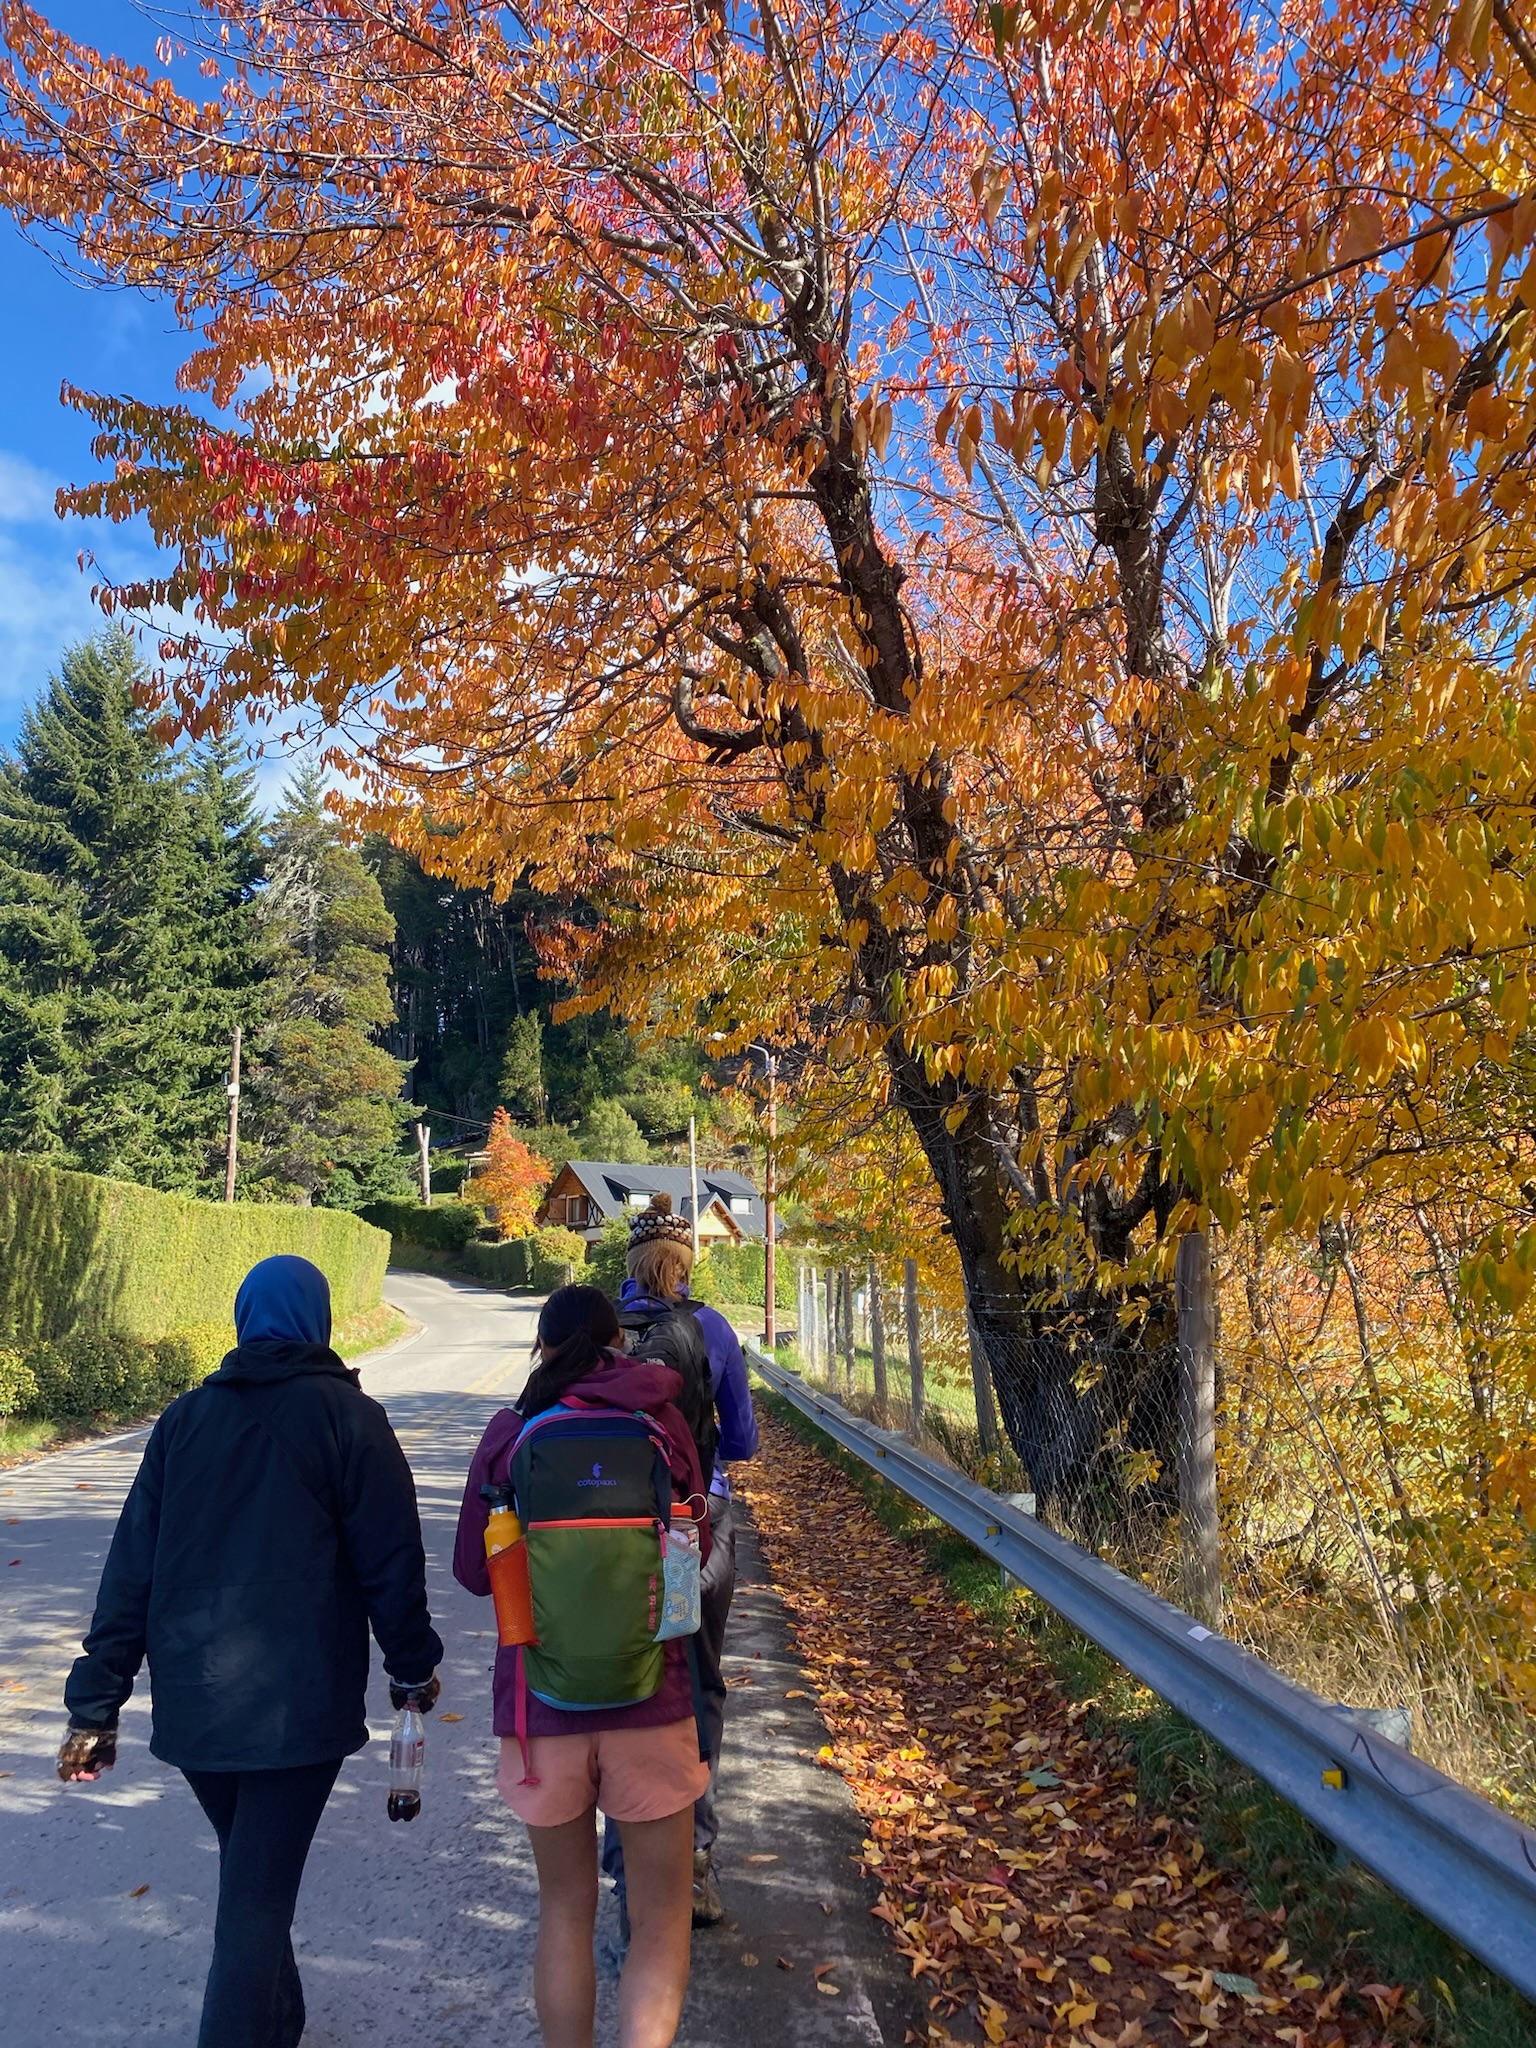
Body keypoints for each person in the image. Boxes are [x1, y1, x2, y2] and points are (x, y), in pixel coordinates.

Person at [56, 1253, 443, 2048]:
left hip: (197, 1702)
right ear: (319, 1320)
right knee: (255, 1903)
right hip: (295, 1707)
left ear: (244, 1318)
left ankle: (281, 2024)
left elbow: (130, 1567)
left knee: (252, 1879)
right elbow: (391, 1562)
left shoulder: (183, 1421)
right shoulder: (350, 1421)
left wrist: (95, 1704)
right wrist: (411, 1666)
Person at [453, 1284, 711, 2048]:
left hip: (543, 1708)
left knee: (565, 1911)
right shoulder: (660, 1422)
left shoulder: (513, 1433)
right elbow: (695, 1543)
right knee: (660, 1922)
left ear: (543, 1348)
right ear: (617, 1344)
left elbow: (474, 1569)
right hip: (655, 1703)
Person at [609, 1193, 760, 1929]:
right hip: (691, 1528)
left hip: (605, 1531)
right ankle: (696, 1860)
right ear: (685, 1263)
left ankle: (623, 1863)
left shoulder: (595, 1327)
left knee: (619, 1679)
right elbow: (745, 1443)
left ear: (632, 1263)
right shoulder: (712, 1328)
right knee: (697, 1676)